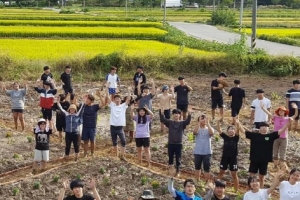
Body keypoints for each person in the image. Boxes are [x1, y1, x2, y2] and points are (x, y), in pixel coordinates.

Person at [238, 119, 291, 188]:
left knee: (262, 177)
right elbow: (243, 132)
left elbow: (281, 131)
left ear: (268, 128)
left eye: (265, 127)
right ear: (259, 128)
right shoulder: (254, 135)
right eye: (262, 127)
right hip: (254, 159)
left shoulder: (270, 136)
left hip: (264, 160)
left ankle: (261, 192)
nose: (263, 128)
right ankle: (250, 189)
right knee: (251, 176)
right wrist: (238, 123)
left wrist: (288, 124)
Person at [261, 102, 298, 170]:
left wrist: (296, 108)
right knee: (275, 152)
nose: (281, 112)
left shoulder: (288, 119)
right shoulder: (275, 118)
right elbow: (268, 114)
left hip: (284, 138)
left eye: (282, 111)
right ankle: (275, 166)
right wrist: (263, 108)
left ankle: (281, 168)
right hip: (275, 138)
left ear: (284, 112)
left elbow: (295, 115)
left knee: (282, 153)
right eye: (280, 111)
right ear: (278, 112)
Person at [160, 107, 192, 176]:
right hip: (171, 143)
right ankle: (171, 170)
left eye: (178, 114)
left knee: (178, 158)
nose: (176, 115)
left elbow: (187, 122)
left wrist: (189, 114)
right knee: (170, 157)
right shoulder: (170, 122)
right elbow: (163, 119)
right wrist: (162, 113)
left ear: (180, 115)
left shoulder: (182, 123)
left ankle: (178, 171)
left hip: (179, 144)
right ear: (173, 115)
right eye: (175, 113)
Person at [106, 84, 131, 160]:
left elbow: (128, 99)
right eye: (116, 98)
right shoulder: (112, 105)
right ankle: (116, 155)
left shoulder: (123, 106)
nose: (117, 100)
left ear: (120, 100)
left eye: (118, 99)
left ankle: (122, 155)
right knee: (114, 142)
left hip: (120, 127)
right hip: (113, 127)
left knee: (123, 141)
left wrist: (129, 90)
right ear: (114, 100)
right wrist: (107, 88)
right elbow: (107, 97)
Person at [57, 96, 85, 162]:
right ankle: (66, 156)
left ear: (75, 110)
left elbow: (82, 108)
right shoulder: (67, 114)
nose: (72, 110)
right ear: (69, 109)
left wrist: (84, 102)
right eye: (71, 109)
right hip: (68, 133)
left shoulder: (77, 115)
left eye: (73, 109)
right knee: (67, 145)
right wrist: (58, 103)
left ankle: (76, 156)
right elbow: (61, 109)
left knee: (76, 145)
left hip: (76, 133)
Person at [216, 119, 239, 192]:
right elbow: (219, 130)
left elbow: (238, 131)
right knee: (221, 172)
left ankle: (236, 190)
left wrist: (237, 124)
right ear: (227, 131)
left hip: (233, 158)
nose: (231, 130)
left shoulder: (236, 138)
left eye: (233, 129)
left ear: (234, 131)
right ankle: (216, 187)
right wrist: (218, 121)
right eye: (230, 129)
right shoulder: (225, 137)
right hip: (225, 157)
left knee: (234, 174)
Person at [81, 93, 105, 157]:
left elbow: (103, 103)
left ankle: (92, 153)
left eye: (88, 99)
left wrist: (100, 95)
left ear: (91, 101)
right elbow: (75, 104)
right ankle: (85, 154)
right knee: (85, 141)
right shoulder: (83, 106)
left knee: (92, 141)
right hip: (85, 127)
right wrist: (83, 97)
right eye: (86, 99)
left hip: (92, 127)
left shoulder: (95, 107)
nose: (87, 100)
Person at [193, 114, 214, 182]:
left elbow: (211, 133)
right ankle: (197, 181)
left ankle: (206, 182)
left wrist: (208, 123)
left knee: (207, 168)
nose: (204, 120)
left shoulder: (209, 128)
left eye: (205, 118)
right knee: (197, 167)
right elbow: (195, 132)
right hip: (198, 152)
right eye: (202, 118)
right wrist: (199, 122)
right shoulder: (197, 128)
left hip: (207, 152)